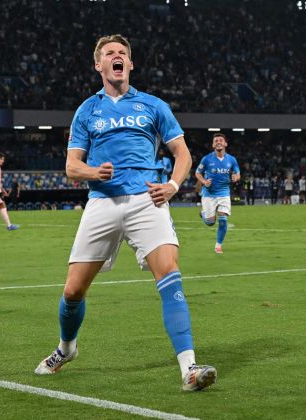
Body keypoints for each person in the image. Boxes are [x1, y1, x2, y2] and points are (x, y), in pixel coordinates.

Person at [34, 34, 216, 392]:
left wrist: (174, 186)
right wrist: (93, 173)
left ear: (130, 64)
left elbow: (182, 155)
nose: (116, 57)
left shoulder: (153, 105)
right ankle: (66, 349)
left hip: (147, 199)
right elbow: (72, 166)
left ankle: (189, 368)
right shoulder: (87, 110)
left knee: (170, 273)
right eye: (109, 54)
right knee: (73, 292)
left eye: (122, 53)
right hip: (102, 203)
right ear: (98, 65)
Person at [195, 132, 241, 254]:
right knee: (210, 222)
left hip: (224, 193)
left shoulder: (232, 160)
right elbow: (197, 173)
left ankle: (218, 245)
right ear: (213, 145)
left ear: (225, 143)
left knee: (223, 219)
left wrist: (236, 177)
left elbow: (237, 173)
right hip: (209, 194)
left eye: (221, 140)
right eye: (216, 141)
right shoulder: (206, 159)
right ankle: (204, 214)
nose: (218, 142)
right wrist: (204, 181)